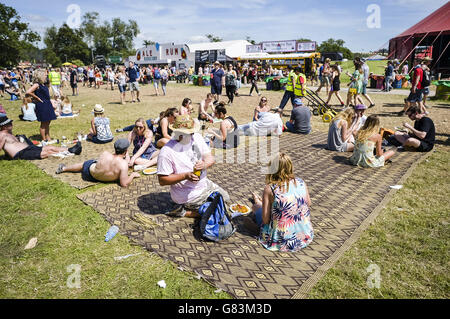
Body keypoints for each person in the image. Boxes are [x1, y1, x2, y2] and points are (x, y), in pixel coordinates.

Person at [157, 114, 230, 218]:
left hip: (204, 185)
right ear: (177, 133)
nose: (191, 136)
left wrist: (204, 164)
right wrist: (186, 176)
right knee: (220, 211)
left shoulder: (196, 137)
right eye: (187, 133)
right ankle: (184, 211)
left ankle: (193, 210)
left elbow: (210, 158)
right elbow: (162, 180)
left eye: (191, 132)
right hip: (187, 194)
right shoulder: (167, 152)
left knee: (226, 198)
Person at [248, 153, 313, 252]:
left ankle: (257, 201)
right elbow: (308, 203)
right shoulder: (301, 182)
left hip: (280, 239)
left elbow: (265, 220)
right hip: (304, 233)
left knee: (256, 208)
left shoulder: (270, 189)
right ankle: (259, 200)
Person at [56, 138, 140, 187]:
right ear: (125, 151)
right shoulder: (123, 164)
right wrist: (132, 175)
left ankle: (63, 168)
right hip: (105, 179)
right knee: (91, 162)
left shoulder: (105, 154)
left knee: (86, 163)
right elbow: (124, 184)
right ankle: (64, 168)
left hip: (90, 175)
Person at [0, 116, 82, 160]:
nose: (11, 125)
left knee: (49, 147)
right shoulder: (2, 135)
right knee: (45, 153)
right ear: (3, 126)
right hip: (20, 154)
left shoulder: (9, 133)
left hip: (28, 148)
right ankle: (69, 152)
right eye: (9, 124)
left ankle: (70, 150)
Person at [26, 69, 57, 142]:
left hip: (47, 104)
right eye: (45, 75)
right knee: (43, 123)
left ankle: (48, 137)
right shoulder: (37, 84)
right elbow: (28, 92)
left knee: (48, 122)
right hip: (42, 105)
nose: (46, 76)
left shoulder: (44, 84)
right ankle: (44, 139)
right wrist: (37, 98)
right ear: (40, 75)